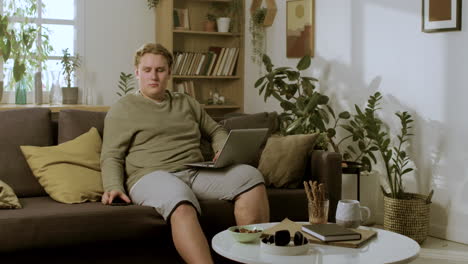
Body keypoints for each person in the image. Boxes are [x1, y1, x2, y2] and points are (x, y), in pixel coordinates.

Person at [100, 43, 270, 264]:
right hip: (150, 176)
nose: (154, 76)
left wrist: (221, 148)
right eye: (147, 70)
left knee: (250, 177)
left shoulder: (186, 102)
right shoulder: (123, 109)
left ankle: (250, 260)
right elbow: (111, 155)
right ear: (137, 72)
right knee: (181, 202)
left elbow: (216, 130)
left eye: (160, 70)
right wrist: (113, 186)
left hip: (195, 171)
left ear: (169, 73)